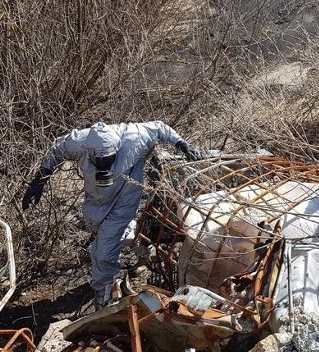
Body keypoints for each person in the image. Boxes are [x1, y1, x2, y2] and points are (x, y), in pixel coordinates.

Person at [21, 121, 202, 309]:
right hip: (98, 199)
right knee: (106, 234)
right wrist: (42, 175)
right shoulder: (79, 142)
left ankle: (104, 297)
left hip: (126, 196)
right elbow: (57, 148)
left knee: (103, 252)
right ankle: (139, 245)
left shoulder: (135, 136)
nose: (105, 165)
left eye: (109, 159)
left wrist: (183, 145)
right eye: (101, 162)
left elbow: (160, 127)